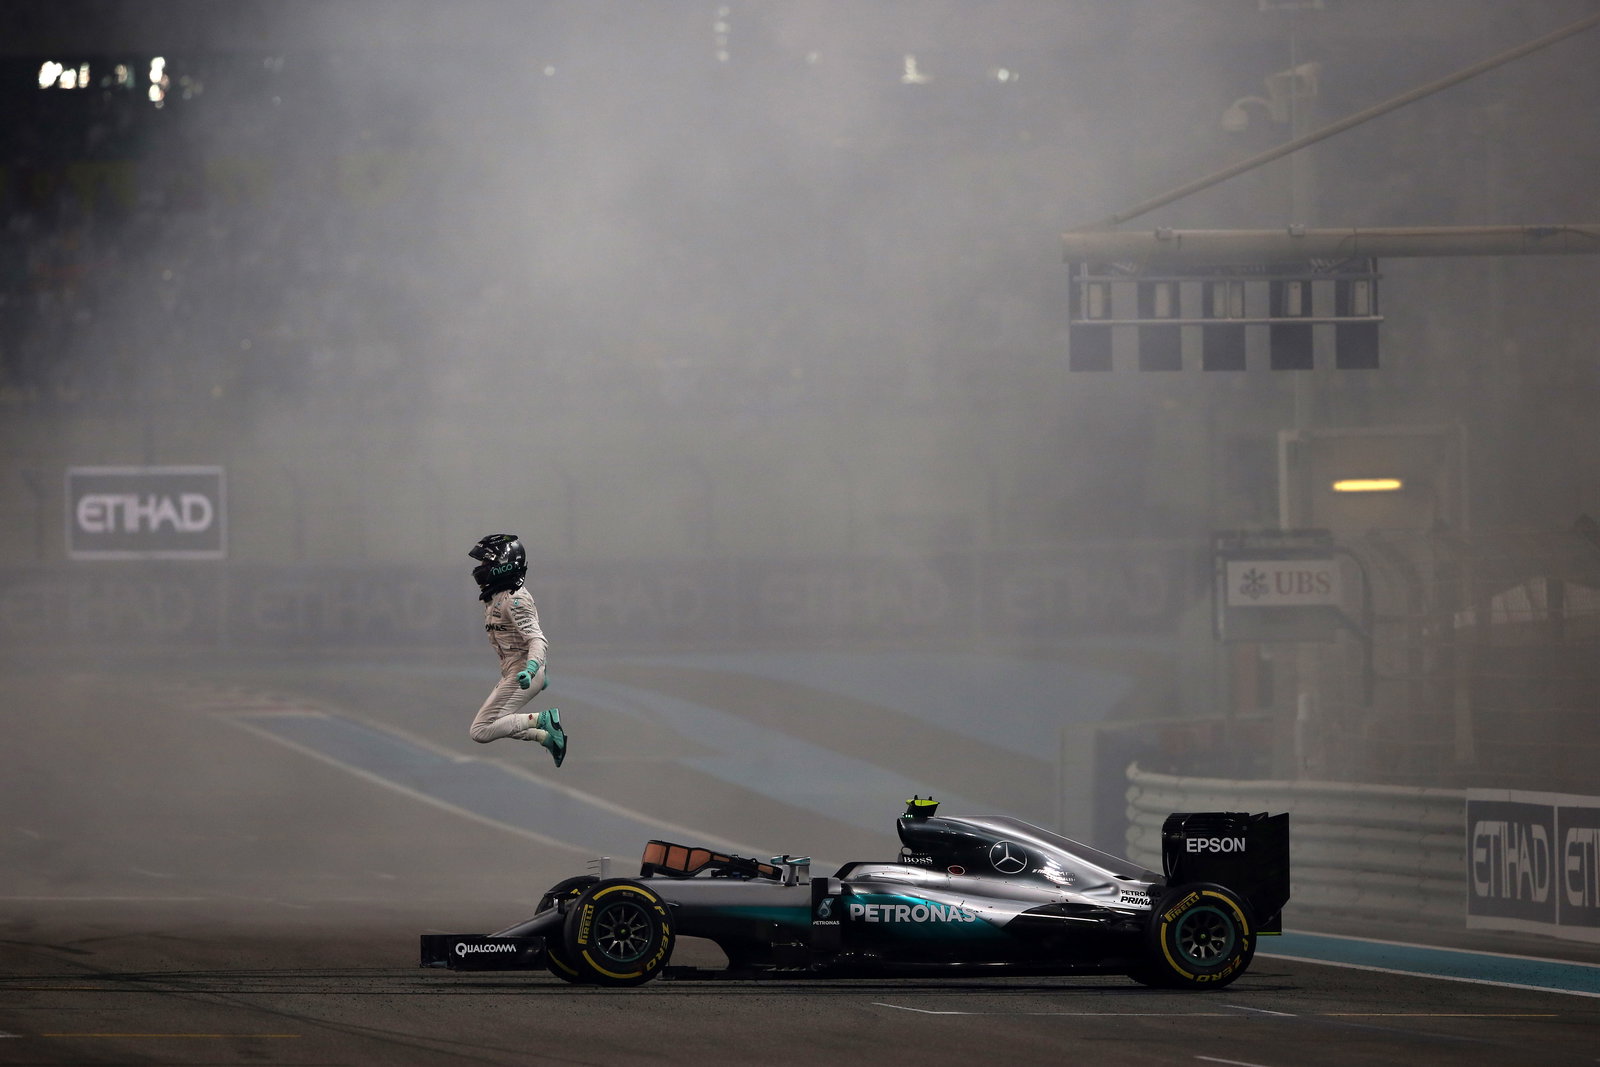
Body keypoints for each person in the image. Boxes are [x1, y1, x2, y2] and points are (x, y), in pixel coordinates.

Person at [466, 533, 567, 766]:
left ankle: (544, 720)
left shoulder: (515, 599)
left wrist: (532, 670)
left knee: (480, 730)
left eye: (487, 562)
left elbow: (537, 640)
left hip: (523, 673)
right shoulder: (496, 596)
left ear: (504, 565)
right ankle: (545, 737)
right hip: (517, 671)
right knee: (499, 722)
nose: (481, 568)